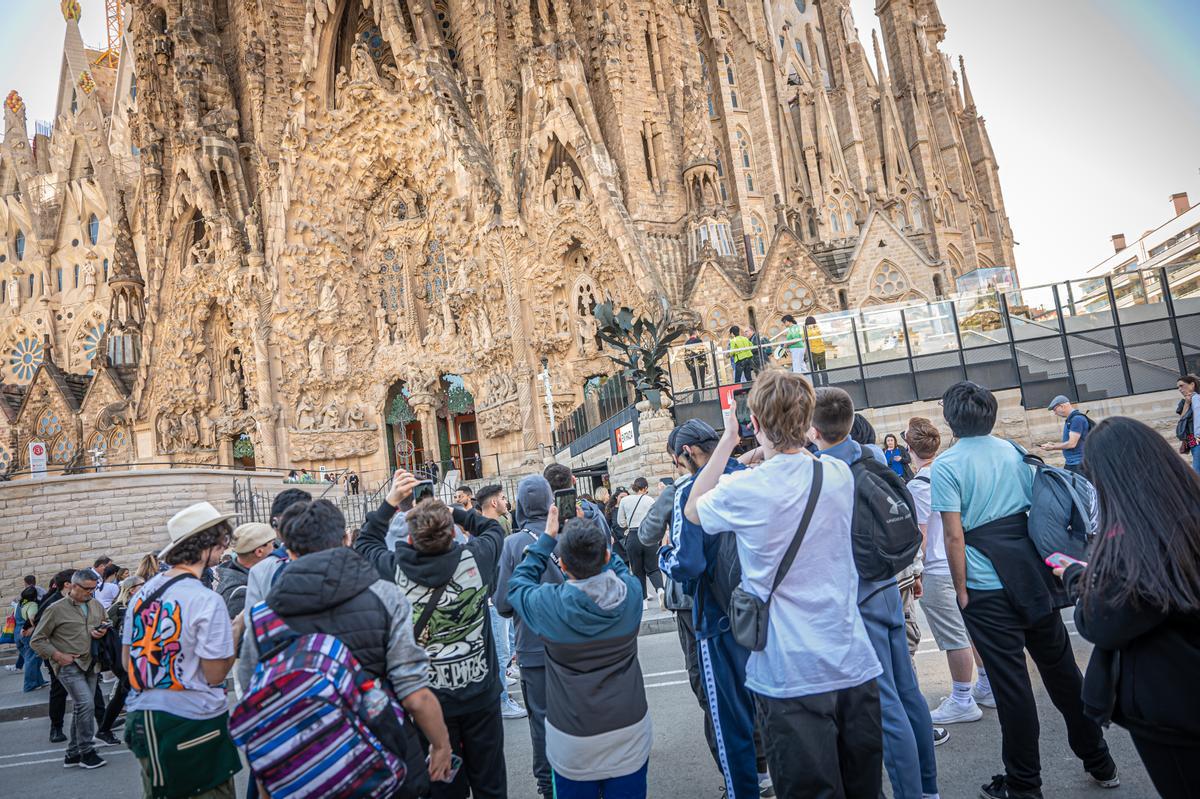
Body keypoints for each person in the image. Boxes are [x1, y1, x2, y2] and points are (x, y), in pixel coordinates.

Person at [684, 370, 884, 797]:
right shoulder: (837, 475)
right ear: (809, 420)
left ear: (755, 424)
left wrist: (728, 442)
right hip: (852, 661)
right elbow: (801, 468)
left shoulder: (747, 490)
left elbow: (694, 509)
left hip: (790, 674)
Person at [934, 381, 1117, 799]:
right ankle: (1100, 760)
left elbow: (954, 536)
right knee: (1064, 672)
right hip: (1031, 573)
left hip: (985, 583)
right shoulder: (1012, 449)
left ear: (950, 417)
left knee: (1012, 688)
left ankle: (1024, 785)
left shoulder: (947, 466)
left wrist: (962, 590)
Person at [237, 499, 452, 787]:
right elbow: (413, 692)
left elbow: (256, 700)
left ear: (287, 551)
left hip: (303, 765)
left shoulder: (260, 617)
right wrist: (441, 745)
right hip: (379, 756)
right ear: (346, 538)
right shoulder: (384, 596)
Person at [1054, 417, 1200, 798]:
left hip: (1172, 709)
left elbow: (1102, 622)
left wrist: (1074, 577)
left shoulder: (1137, 543)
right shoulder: (1187, 511)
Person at [809, 387, 942, 799]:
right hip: (887, 585)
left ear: (813, 429)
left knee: (886, 707)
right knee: (908, 693)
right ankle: (928, 787)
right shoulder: (874, 456)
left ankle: (910, 794)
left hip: (859, 593)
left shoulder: (823, 473)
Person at [354, 472, 507, 799]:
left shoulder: (395, 569)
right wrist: (454, 511)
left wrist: (390, 502)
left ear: (409, 538)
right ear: (453, 534)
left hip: (429, 705)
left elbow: (365, 542)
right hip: (480, 695)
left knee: (442, 787)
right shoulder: (476, 558)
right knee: (490, 786)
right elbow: (493, 527)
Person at [656, 420, 770, 799]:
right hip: (765, 611)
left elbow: (685, 564)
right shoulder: (753, 476)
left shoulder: (691, 490)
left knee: (730, 722)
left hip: (718, 620)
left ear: (687, 453)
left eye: (676, 460)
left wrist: (663, 551)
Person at [507, 510, 652, 799]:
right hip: (629, 731)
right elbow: (620, 569)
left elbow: (518, 585)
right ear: (606, 558)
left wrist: (546, 539)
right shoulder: (632, 595)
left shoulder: (548, 604)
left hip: (571, 740)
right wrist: (595, 535)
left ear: (561, 564)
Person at [121, 503, 243, 796]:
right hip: (192, 721)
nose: (225, 548)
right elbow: (214, 675)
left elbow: (128, 661)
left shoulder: (143, 594)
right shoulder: (204, 599)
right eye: (222, 541)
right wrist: (235, 632)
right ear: (206, 545)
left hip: (142, 717)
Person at [904, 417, 992, 725]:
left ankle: (962, 698)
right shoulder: (948, 473)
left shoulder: (917, 486)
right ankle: (985, 683)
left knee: (954, 637)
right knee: (968, 630)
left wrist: (915, 572)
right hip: (960, 562)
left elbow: (922, 537)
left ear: (909, 448)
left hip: (937, 568)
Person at [494, 475, 563, 799]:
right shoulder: (568, 532)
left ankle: (548, 787)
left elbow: (504, 604)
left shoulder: (514, 544)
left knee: (541, 722)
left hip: (533, 646)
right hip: (572, 643)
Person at [30, 568, 109, 770]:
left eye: (94, 588)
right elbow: (37, 640)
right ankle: (87, 751)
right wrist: (58, 656)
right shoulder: (55, 609)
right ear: (73, 586)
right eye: (87, 589)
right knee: (85, 704)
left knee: (81, 707)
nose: (91, 592)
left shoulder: (96, 605)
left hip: (91, 663)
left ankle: (72, 754)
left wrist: (101, 631)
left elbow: (104, 622)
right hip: (68, 665)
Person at [235, 487, 312, 691]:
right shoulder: (336, 559)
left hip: (281, 673)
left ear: (277, 526)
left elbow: (254, 630)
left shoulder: (262, 569)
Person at [475, 484, 524, 719]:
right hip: (492, 599)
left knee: (502, 651)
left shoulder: (488, 528)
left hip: (495, 597)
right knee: (500, 653)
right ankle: (502, 701)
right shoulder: (488, 531)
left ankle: (503, 696)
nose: (506, 502)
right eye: (503, 498)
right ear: (494, 503)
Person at [96, 574, 144, 746]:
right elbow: (106, 626)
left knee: (123, 694)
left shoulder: (141, 604)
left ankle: (105, 729)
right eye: (142, 584)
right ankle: (104, 729)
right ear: (132, 590)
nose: (146, 586)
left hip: (138, 657)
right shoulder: (119, 608)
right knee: (122, 694)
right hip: (125, 658)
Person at [616, 477, 664, 609]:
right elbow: (657, 518)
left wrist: (629, 524)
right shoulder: (649, 500)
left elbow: (621, 522)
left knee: (637, 570)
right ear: (645, 488)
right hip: (648, 535)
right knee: (653, 568)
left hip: (633, 535)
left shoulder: (625, 500)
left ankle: (643, 602)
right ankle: (660, 590)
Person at [216, 522, 276, 621]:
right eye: (272, 545)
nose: (274, 550)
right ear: (259, 552)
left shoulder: (232, 574)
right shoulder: (241, 592)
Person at [1040, 395, 1090, 474]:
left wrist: (1053, 447)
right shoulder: (1071, 419)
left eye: (1055, 409)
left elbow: (1072, 444)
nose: (1055, 413)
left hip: (1079, 465)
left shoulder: (1077, 419)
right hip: (1072, 464)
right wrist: (1054, 444)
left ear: (1062, 406)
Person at [16, 585, 47, 692]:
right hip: (26, 634)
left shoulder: (20, 603)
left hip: (18, 633)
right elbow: (32, 617)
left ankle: (39, 681)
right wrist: (32, 627)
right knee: (32, 659)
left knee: (33, 659)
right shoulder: (32, 604)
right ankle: (29, 685)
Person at [1176, 374, 1200, 472]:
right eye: (1178, 387)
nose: (1179, 389)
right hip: (1192, 440)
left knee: (1197, 469)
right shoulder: (1183, 403)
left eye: (1181, 386)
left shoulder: (1197, 398)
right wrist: (1187, 403)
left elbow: (1198, 416)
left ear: (1192, 385)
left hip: (1197, 439)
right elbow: (1182, 421)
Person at [805, 316, 827, 384]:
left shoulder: (807, 331)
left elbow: (804, 340)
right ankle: (826, 384)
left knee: (814, 370)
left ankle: (817, 385)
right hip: (822, 350)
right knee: (823, 369)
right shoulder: (818, 329)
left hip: (813, 352)